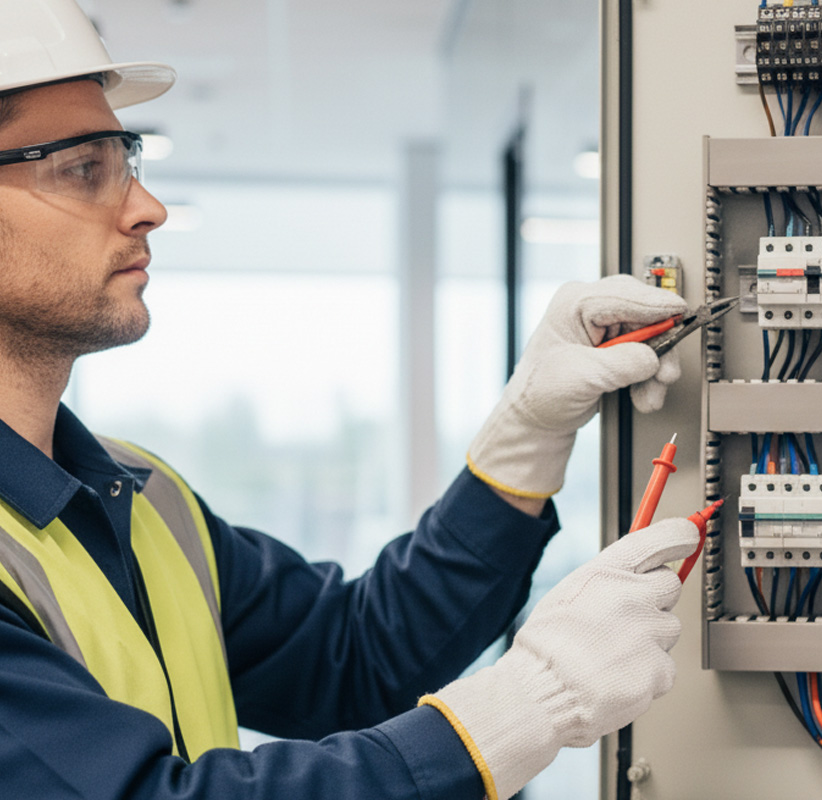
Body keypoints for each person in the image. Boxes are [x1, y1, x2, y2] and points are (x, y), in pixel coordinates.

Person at [0, 1, 699, 798]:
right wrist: (531, 701)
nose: (145, 207)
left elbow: (356, 657)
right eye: (83, 169)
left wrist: (526, 433)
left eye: (125, 159)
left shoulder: (140, 495)